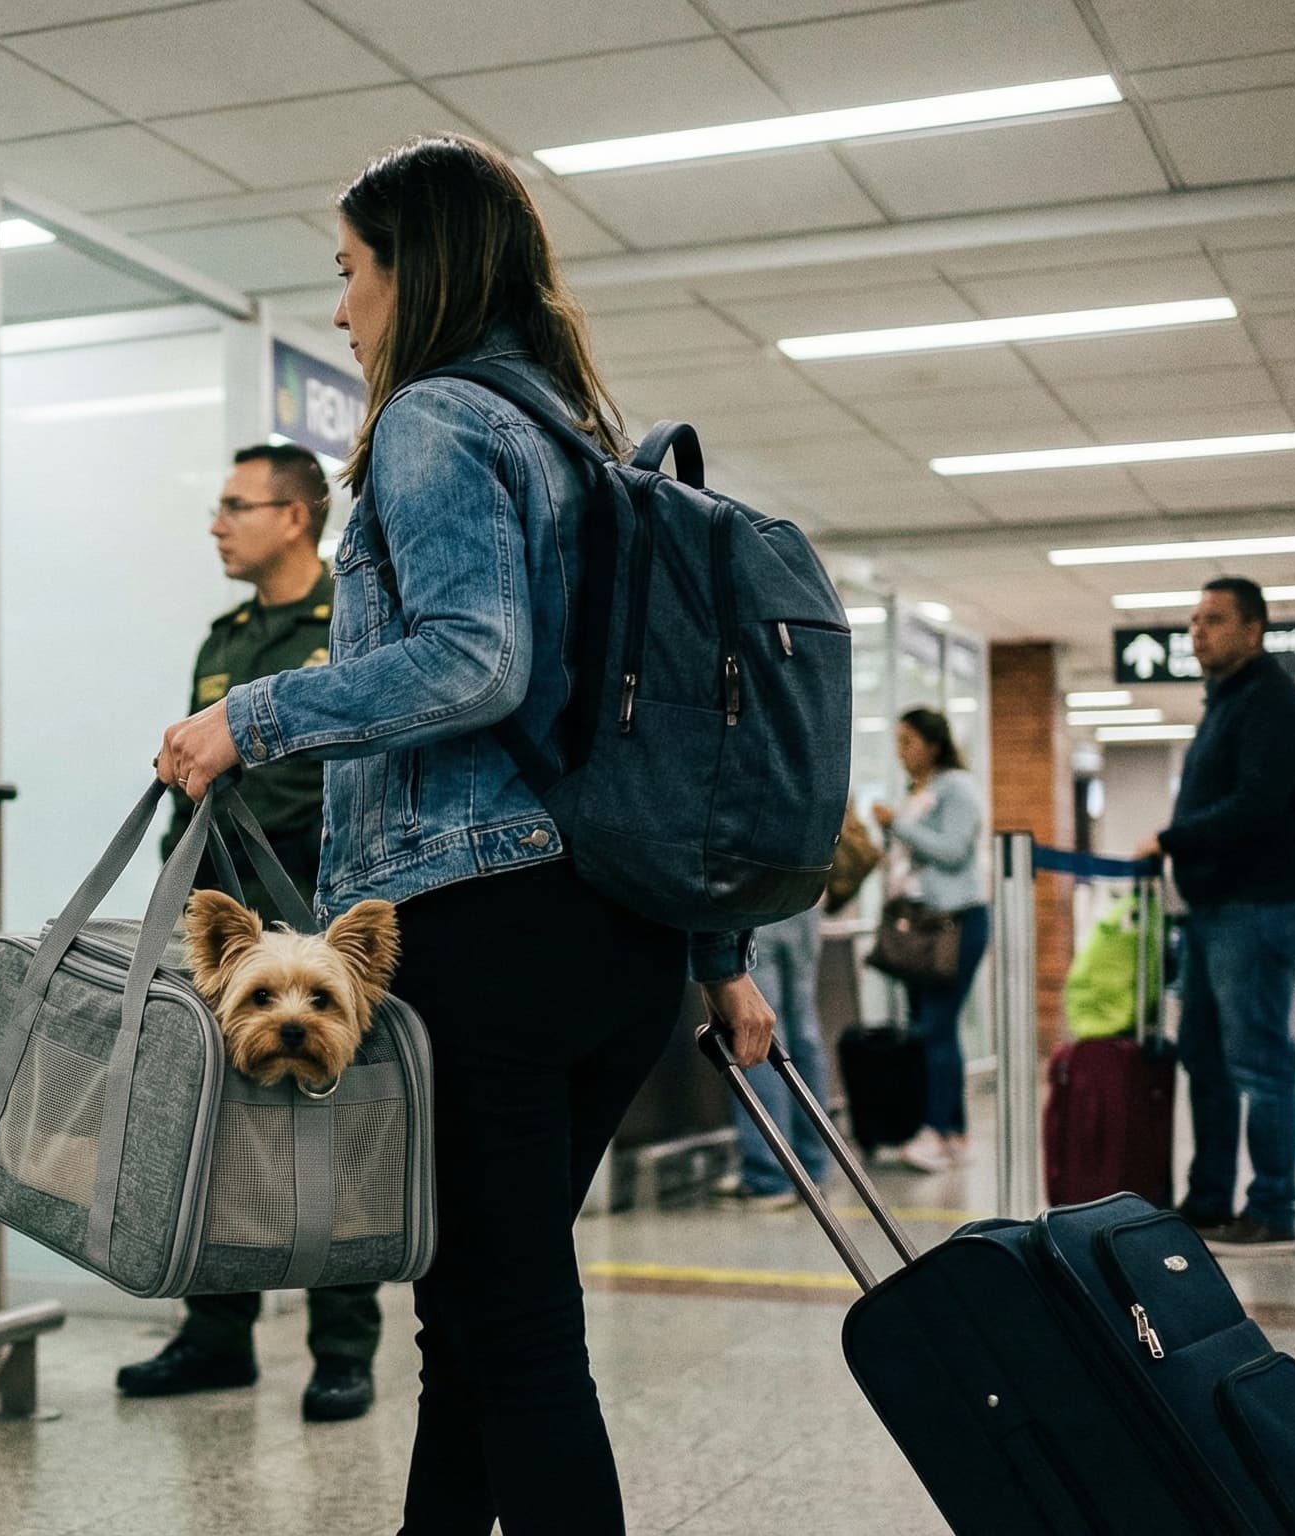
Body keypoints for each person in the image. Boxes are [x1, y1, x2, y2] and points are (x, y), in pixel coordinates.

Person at [153, 134, 777, 1534]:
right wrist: (719, 953)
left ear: (414, 271)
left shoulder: (440, 421)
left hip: (496, 936)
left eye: (351, 271)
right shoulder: (579, 442)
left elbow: (471, 663)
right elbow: (655, 734)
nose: (339, 308)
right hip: (619, 943)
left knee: (518, 1339)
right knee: (478, 1323)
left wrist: (247, 720)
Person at [118, 443, 381, 1423]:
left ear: (295, 517)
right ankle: (216, 1333)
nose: (218, 523)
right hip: (224, 915)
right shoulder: (222, 635)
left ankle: (341, 1350)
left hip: (318, 900)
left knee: (331, 1133)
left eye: (236, 505)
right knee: (210, 1131)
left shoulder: (350, 629)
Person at [1138, 577, 1295, 1254]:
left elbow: (1257, 804)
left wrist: (1169, 839)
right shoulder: (1224, 702)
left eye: (1214, 620)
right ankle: (1209, 1200)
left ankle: (1273, 1209)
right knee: (1206, 1060)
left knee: (1259, 1062)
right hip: (1217, 909)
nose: (1197, 632)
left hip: (1260, 905)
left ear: (1255, 629)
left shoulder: (1271, 700)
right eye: (1192, 620)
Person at [871, 707, 987, 1176]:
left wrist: (898, 825)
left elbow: (953, 850)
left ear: (934, 745)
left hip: (954, 923)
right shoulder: (917, 792)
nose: (902, 753)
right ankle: (951, 1131)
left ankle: (938, 1131)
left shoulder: (956, 787)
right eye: (897, 743)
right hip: (919, 924)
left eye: (909, 743)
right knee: (930, 1027)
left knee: (937, 1026)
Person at [719, 906, 831, 1207]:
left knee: (758, 1034)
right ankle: (811, 1169)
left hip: (756, 901)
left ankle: (769, 1176)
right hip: (804, 902)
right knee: (804, 1031)